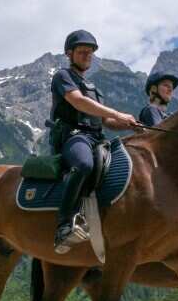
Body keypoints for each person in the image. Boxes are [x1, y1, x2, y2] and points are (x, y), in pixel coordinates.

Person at [49, 30, 141, 253]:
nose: (87, 56)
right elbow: (78, 102)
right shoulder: (63, 76)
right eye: (82, 52)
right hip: (73, 136)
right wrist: (118, 113)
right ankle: (64, 225)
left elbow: (106, 121)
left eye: (90, 53)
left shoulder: (94, 89)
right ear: (69, 54)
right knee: (83, 164)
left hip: (97, 138)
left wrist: (129, 125)